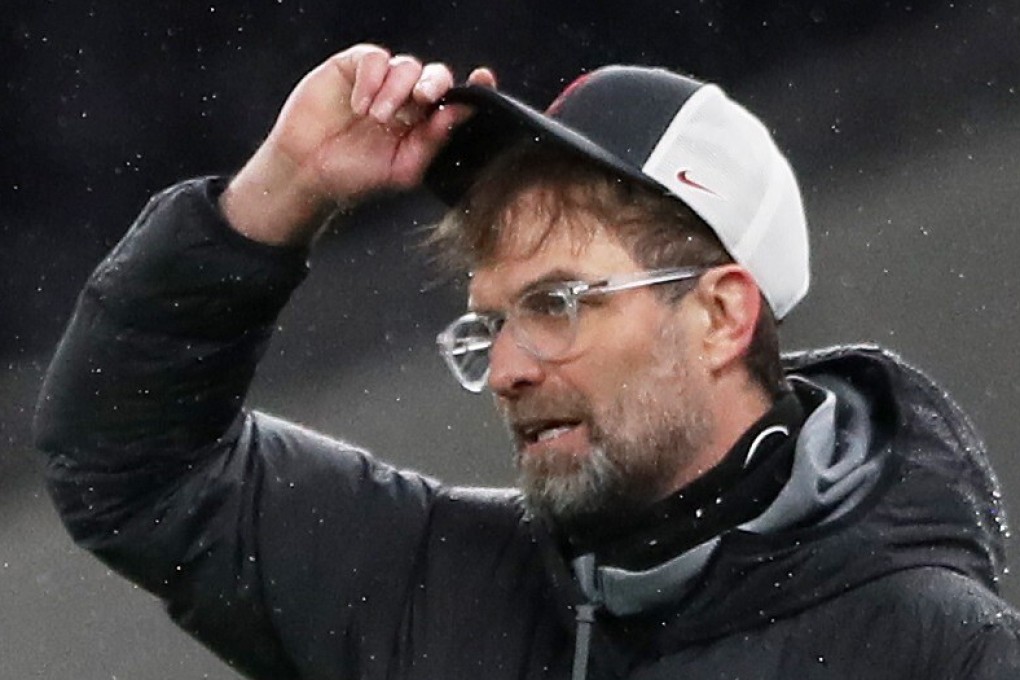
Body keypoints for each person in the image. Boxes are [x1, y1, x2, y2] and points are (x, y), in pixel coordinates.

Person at [35, 43, 1020, 680]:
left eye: (556, 304)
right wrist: (285, 184)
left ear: (722, 316)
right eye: (491, 322)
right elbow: (132, 465)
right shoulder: (441, 587)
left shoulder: (937, 649)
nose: (506, 367)